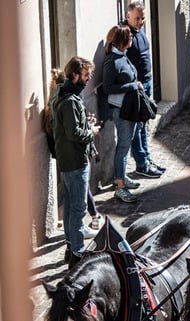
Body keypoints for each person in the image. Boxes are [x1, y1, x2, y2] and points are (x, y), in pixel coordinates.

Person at [51, 56, 100, 268]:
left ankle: (71, 248)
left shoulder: (65, 94)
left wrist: (84, 123)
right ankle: (78, 255)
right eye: (86, 74)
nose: (89, 78)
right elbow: (73, 133)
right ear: (75, 75)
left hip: (68, 159)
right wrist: (91, 130)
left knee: (71, 207)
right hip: (75, 160)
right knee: (78, 210)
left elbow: (70, 126)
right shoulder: (69, 100)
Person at [123, 1, 165, 178]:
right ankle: (141, 163)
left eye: (143, 18)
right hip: (137, 86)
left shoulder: (140, 31)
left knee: (144, 125)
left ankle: (147, 158)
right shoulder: (124, 34)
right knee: (137, 126)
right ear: (128, 17)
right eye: (137, 18)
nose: (140, 21)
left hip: (147, 82)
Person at [103, 25, 143, 203]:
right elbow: (107, 87)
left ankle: (122, 176)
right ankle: (119, 185)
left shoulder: (123, 56)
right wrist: (132, 86)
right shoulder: (112, 61)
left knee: (126, 144)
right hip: (121, 109)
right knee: (123, 146)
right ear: (122, 41)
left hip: (130, 107)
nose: (132, 39)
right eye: (129, 37)